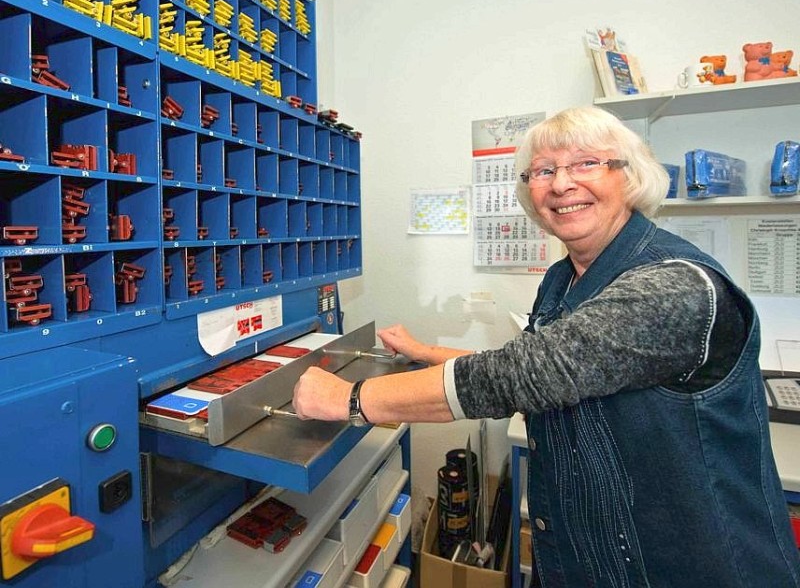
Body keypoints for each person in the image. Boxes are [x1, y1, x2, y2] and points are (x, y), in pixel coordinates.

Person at [293, 106, 800, 587]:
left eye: (586, 164)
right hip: (582, 559)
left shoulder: (673, 285)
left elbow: (530, 374)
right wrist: (431, 352)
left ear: (631, 176)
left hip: (681, 565)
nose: (561, 184)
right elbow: (547, 370)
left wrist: (349, 400)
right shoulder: (563, 277)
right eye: (542, 171)